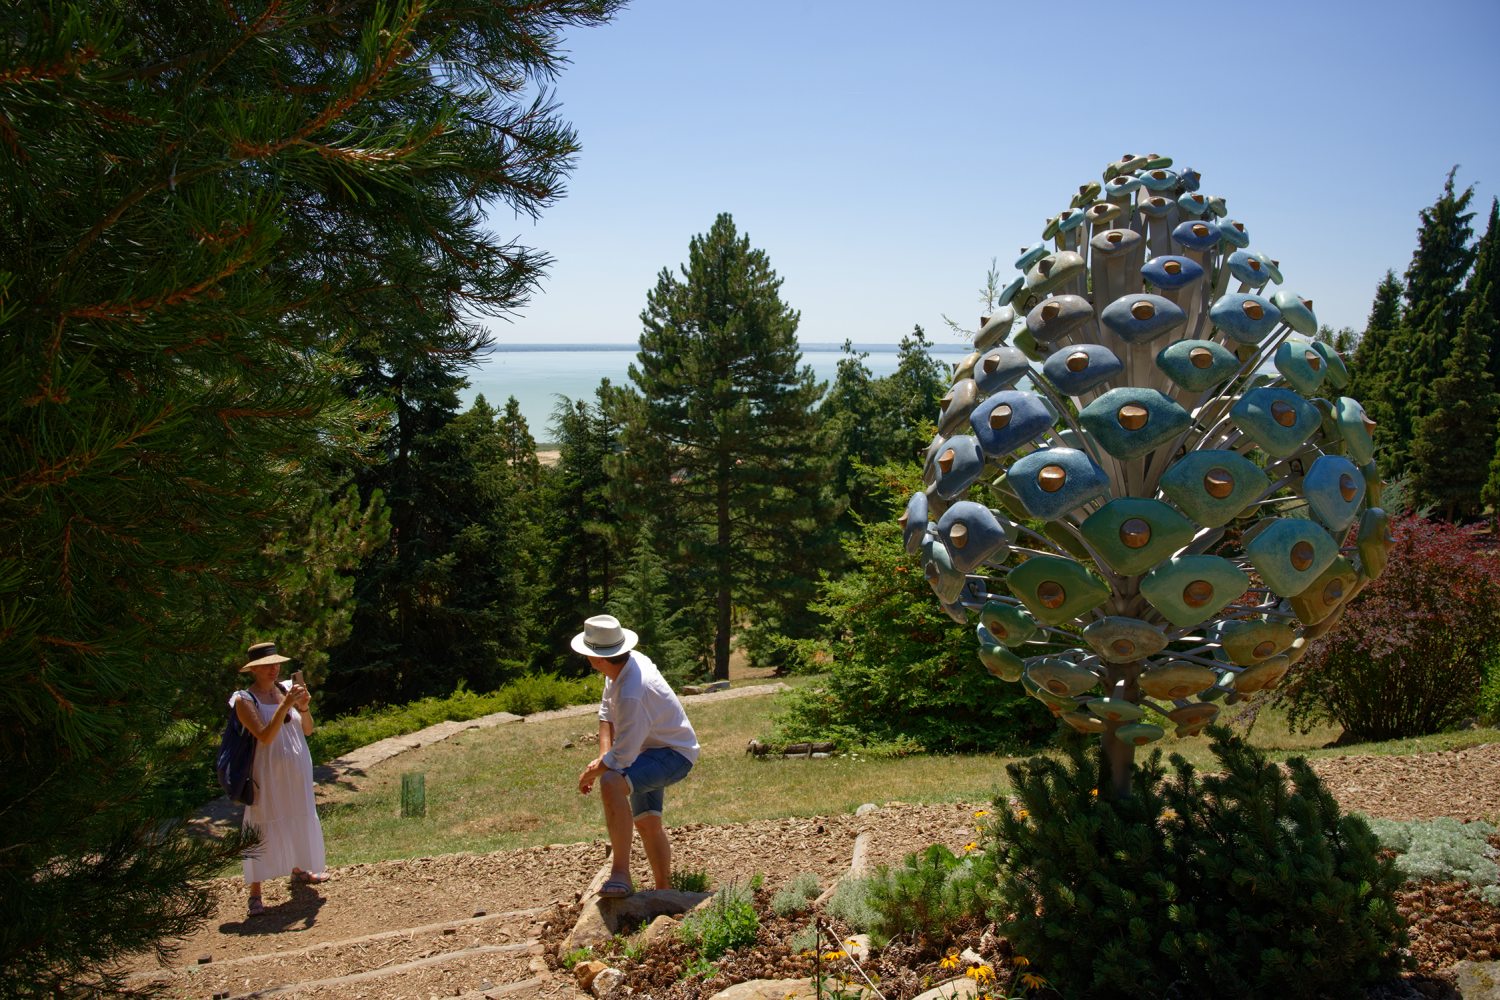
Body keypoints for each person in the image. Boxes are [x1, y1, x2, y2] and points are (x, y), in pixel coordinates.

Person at [573, 615, 699, 898]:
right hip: (649, 753)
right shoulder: (622, 666)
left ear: (596, 659)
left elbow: (624, 755)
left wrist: (594, 771)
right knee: (646, 821)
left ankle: (620, 874)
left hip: (673, 756)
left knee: (612, 783)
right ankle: (665, 893)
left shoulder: (632, 691)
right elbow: (607, 715)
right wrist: (602, 758)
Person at [231, 640, 328, 916]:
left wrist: (304, 707)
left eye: (276, 663)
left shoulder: (286, 689)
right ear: (254, 670)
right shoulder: (244, 700)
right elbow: (264, 735)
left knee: (299, 813)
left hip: (297, 769)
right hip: (266, 773)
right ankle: (255, 893)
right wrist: (286, 704)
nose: (273, 669)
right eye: (266, 665)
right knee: (261, 823)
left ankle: (300, 869)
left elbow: (307, 730)